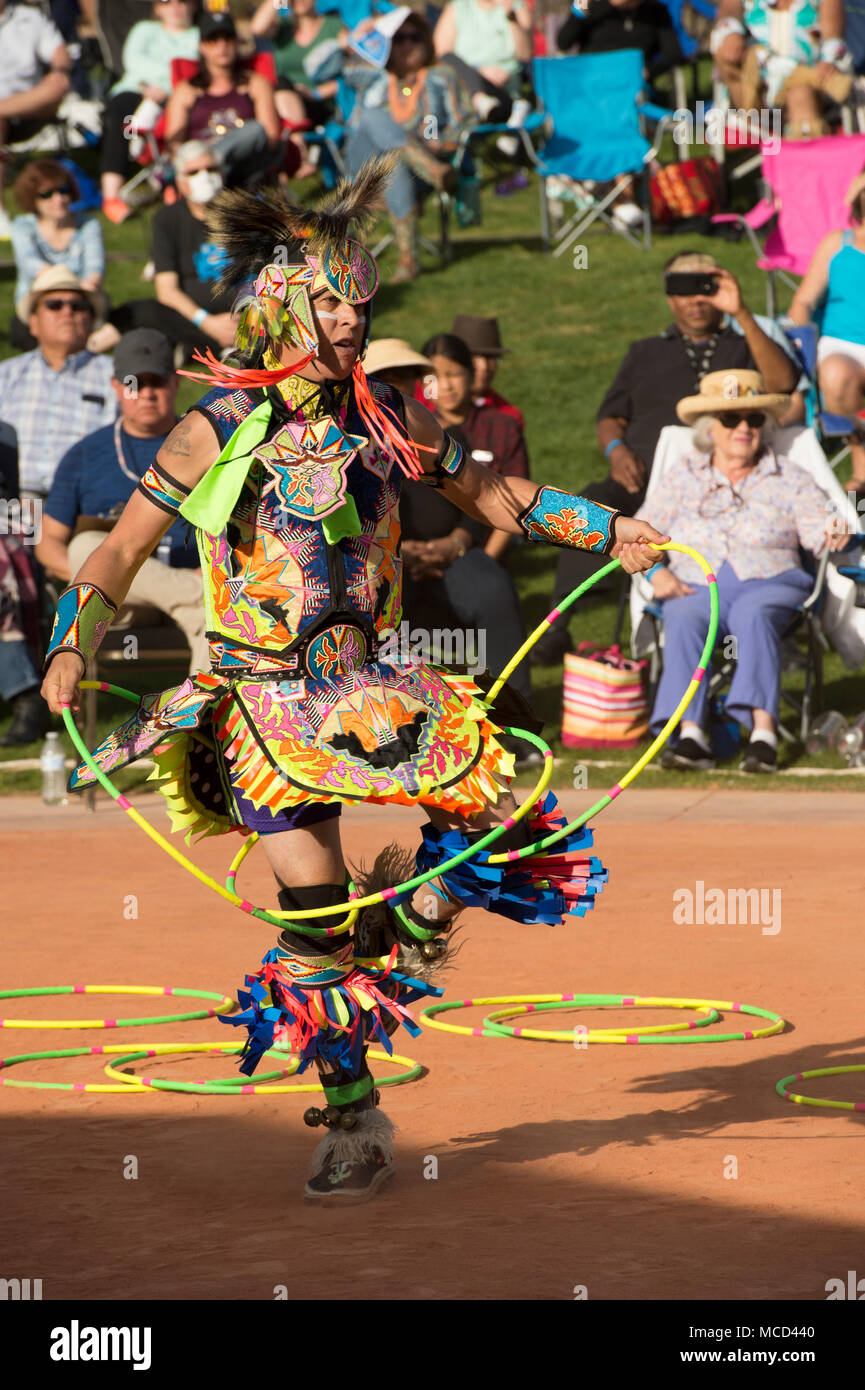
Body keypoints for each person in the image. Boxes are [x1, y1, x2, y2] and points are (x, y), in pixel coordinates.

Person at [41, 158, 666, 1203]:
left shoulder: (391, 420)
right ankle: (352, 1119)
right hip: (261, 703)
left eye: (358, 301)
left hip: (375, 687)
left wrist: (610, 527)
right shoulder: (208, 434)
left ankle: (403, 933)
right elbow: (111, 551)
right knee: (316, 919)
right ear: (282, 309)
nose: (350, 318)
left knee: (493, 818)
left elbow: (495, 496)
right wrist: (73, 638)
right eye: (331, 301)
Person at [533, 250, 803, 663]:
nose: (695, 300)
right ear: (668, 297)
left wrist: (743, 313)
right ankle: (558, 625)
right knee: (585, 506)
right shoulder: (645, 352)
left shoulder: (745, 345)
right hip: (638, 475)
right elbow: (610, 415)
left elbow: (784, 384)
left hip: (715, 478)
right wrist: (615, 449)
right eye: (683, 289)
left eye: (705, 288)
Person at [643, 370, 847, 772]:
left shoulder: (788, 475)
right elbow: (641, 533)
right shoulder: (685, 474)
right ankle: (691, 737)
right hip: (697, 585)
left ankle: (763, 736)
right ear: (709, 429)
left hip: (773, 581)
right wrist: (656, 576)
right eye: (731, 419)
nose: (743, 428)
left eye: (754, 419)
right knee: (682, 615)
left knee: (753, 614)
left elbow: (819, 528)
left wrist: (834, 529)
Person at [365, 334, 535, 728]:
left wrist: (454, 544)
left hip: (453, 554)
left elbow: (481, 499)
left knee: (493, 590)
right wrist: (399, 551)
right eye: (384, 377)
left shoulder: (438, 436)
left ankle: (514, 722)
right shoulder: (343, 443)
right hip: (378, 561)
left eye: (404, 377)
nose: (395, 386)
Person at [36, 329, 207, 674]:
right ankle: (193, 594)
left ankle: (200, 721)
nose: (145, 394)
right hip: (119, 601)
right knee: (85, 545)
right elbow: (48, 544)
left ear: (174, 384)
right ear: (116, 387)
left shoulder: (207, 447)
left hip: (197, 576)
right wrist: (108, 577)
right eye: (133, 383)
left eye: (155, 381)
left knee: (205, 613)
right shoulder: (85, 454)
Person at [342, 11, 471, 282]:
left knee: (394, 162)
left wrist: (443, 143)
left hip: (408, 168)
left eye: (414, 37)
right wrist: (367, 33)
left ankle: (408, 260)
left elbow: (465, 120)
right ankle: (433, 170)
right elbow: (344, 69)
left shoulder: (441, 76)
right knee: (371, 116)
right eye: (399, 39)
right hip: (362, 165)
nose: (407, 45)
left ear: (426, 41)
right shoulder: (375, 77)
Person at [556, 0, 683, 229]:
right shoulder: (593, 7)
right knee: (609, 115)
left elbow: (674, 53)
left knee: (623, 115)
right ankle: (621, 199)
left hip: (634, 95)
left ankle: (602, 188)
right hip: (592, 94)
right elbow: (562, 41)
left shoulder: (655, 11)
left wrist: (648, 71)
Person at [0, 266, 115, 501]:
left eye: (78, 306)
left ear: (92, 320)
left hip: (84, 503)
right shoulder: (7, 374)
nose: (67, 312)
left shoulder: (120, 377)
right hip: (11, 498)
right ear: (33, 323)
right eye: (54, 305)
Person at [788, 169, 865, 504]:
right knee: (836, 373)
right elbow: (803, 301)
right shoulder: (839, 243)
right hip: (841, 347)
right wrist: (800, 338)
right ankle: (860, 470)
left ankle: (860, 486)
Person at [421, 331, 529, 564]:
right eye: (435, 377)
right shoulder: (418, 430)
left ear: (470, 375)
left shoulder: (503, 426)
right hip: (425, 553)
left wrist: (487, 562)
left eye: (454, 374)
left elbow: (518, 500)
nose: (446, 385)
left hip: (484, 552)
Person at [99, 0, 200, 224]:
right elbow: (133, 61)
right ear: (157, 7)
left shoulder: (199, 36)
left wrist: (166, 88)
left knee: (185, 119)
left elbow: (196, 70)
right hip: (137, 91)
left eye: (182, 1)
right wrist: (160, 84)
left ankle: (174, 183)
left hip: (177, 97)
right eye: (166, 1)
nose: (174, 6)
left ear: (193, 5)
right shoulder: (144, 30)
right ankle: (111, 196)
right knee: (121, 113)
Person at [163, 8, 282, 188]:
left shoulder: (255, 83)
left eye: (227, 38)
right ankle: (207, 165)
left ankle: (213, 161)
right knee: (188, 153)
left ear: (236, 42)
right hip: (198, 166)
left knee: (255, 130)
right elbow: (174, 143)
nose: (222, 46)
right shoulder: (186, 90)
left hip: (243, 165)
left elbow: (270, 137)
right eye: (213, 39)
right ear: (202, 46)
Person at [712, 0, 852, 138]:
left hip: (805, 79)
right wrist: (730, 33)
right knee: (726, 53)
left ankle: (801, 154)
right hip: (755, 85)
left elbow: (832, 34)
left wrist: (829, 60)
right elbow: (729, 10)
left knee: (801, 96)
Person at [10, 158, 105, 351]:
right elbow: (33, 265)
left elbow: (95, 269)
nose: (58, 199)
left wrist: (88, 287)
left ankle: (72, 347)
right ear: (32, 198)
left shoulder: (88, 224)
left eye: (63, 191)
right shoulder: (22, 227)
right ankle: (86, 346)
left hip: (81, 304)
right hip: (41, 307)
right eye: (47, 194)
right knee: (20, 330)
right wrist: (71, 284)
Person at [0, 0, 71, 240]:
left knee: (57, 85)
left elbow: (59, 52)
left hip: (32, 103)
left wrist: (59, 70)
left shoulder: (30, 17)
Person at [250, 0, 343, 175]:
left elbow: (350, 72)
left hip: (324, 101)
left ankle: (299, 154)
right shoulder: (282, 27)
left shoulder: (334, 26)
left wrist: (314, 93)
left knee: (282, 87)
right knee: (280, 85)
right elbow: (257, 28)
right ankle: (299, 146)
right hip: (284, 101)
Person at [434, 0, 532, 120]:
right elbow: (439, 54)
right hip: (465, 87)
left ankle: (489, 109)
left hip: (505, 90)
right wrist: (478, 72)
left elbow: (526, 54)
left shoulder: (516, 7)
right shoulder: (457, 8)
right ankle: (482, 101)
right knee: (447, 59)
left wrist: (511, 17)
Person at [450, 312, 524, 427]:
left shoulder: (509, 416)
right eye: (475, 357)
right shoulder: (423, 404)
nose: (484, 367)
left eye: (491, 358)